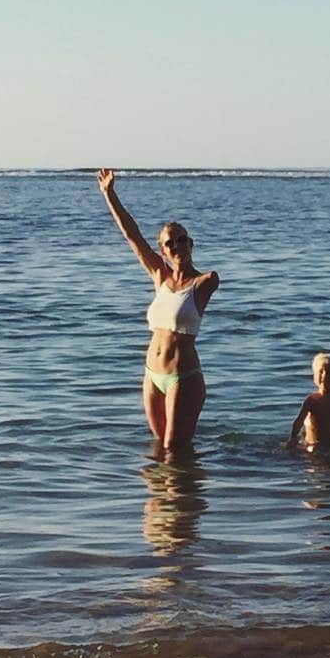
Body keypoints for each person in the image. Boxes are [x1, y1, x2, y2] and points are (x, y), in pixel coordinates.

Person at [96, 168, 219, 450]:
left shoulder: (203, 282)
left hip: (183, 377)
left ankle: (189, 494)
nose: (175, 245)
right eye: (169, 242)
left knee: (175, 452)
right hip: (153, 374)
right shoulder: (159, 277)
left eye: (181, 240)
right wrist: (109, 194)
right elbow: (132, 236)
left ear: (191, 244)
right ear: (162, 250)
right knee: (159, 454)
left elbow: (212, 278)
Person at [286, 352, 330, 449]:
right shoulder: (312, 400)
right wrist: (292, 438)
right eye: (320, 372)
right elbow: (299, 421)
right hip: (313, 445)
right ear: (314, 378)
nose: (324, 376)